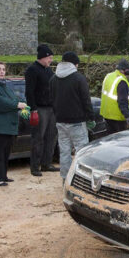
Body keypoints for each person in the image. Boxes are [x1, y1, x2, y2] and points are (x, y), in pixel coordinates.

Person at [50, 51, 96, 180]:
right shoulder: (78, 78)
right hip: (77, 122)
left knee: (64, 152)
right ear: (74, 64)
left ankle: (65, 179)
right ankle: (82, 179)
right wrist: (90, 117)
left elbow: (52, 99)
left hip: (60, 121)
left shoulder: (53, 79)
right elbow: (86, 100)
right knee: (82, 152)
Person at [0, 61, 28, 186]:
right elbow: (0, 103)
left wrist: (23, 103)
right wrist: (17, 105)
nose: (2, 72)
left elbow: (13, 98)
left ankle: (2, 175)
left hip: (7, 125)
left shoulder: (3, 86)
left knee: (5, 152)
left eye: (3, 69)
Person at [25, 44, 57, 176]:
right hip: (40, 108)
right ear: (43, 57)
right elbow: (29, 92)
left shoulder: (49, 71)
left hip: (51, 108)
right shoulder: (32, 70)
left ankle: (46, 163)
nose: (51, 60)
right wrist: (33, 109)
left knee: (51, 137)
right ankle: (35, 166)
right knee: (38, 138)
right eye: (50, 57)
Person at [100, 58, 129, 134]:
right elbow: (122, 101)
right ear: (123, 70)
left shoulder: (108, 76)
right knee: (120, 141)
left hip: (107, 115)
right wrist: (127, 117)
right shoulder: (121, 81)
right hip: (118, 118)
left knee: (110, 140)